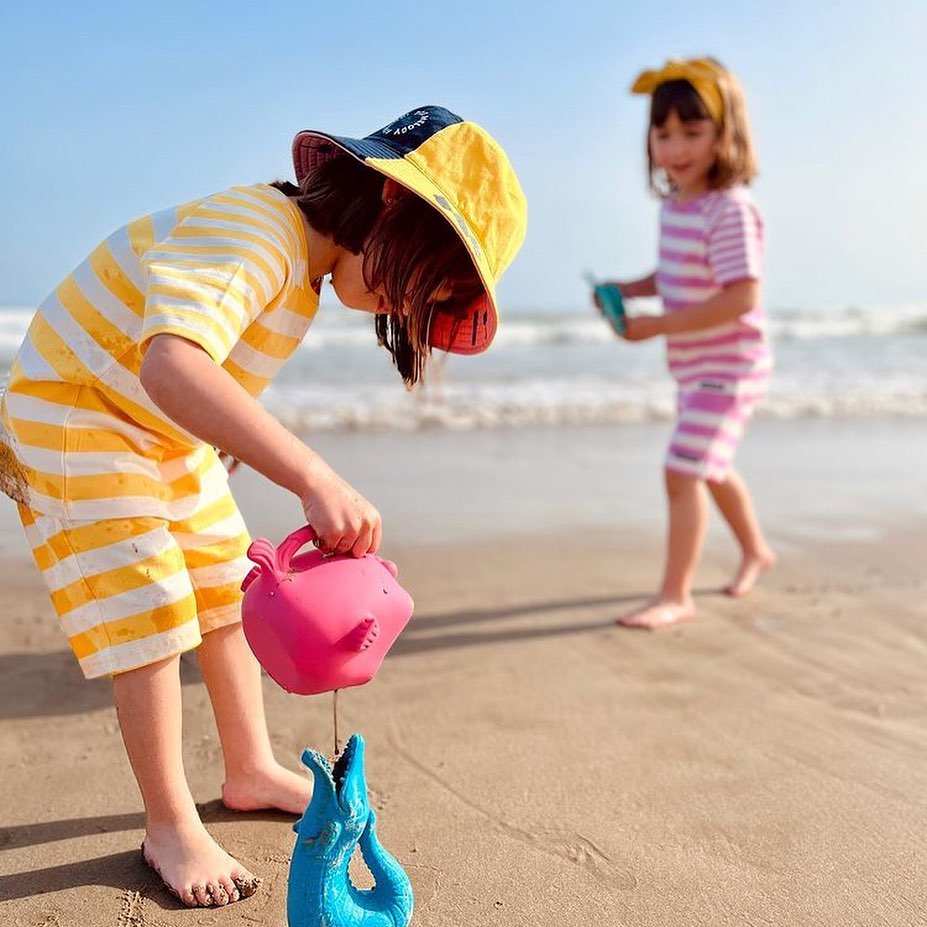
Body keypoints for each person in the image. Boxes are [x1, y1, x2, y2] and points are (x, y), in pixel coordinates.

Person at [0, 105, 526, 907]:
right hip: (77, 412)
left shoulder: (301, 276)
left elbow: (208, 377)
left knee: (226, 586)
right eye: (412, 285)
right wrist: (312, 475)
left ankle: (247, 767)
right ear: (391, 201)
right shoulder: (258, 231)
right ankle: (169, 823)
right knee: (149, 604)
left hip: (159, 431)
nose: (396, 307)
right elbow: (171, 363)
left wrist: (224, 440)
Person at [601, 58, 775, 630]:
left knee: (681, 471)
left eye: (692, 132)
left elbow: (741, 295)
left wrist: (658, 326)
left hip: (732, 368)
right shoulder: (677, 205)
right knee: (710, 467)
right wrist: (631, 289)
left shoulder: (731, 209)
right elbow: (677, 272)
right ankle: (757, 551)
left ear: (725, 134)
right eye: (663, 133)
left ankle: (676, 594)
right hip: (696, 369)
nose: (675, 148)